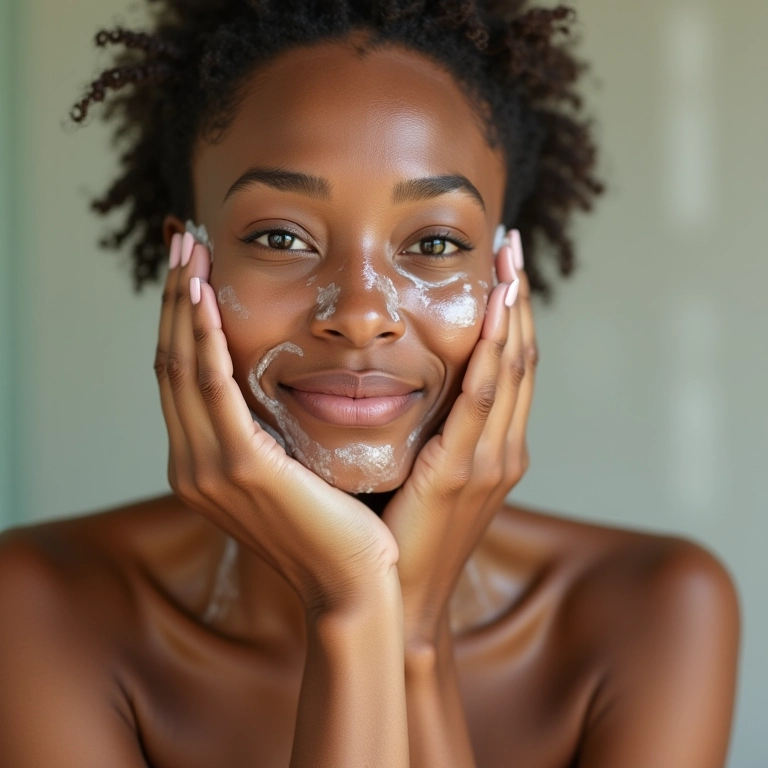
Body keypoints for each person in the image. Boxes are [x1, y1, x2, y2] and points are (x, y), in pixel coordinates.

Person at [0, 1, 740, 766]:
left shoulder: (656, 611)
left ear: (505, 276)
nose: (358, 315)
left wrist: (412, 636)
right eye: (280, 237)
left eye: (435, 241)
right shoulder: (40, 606)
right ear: (186, 263)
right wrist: (353, 608)